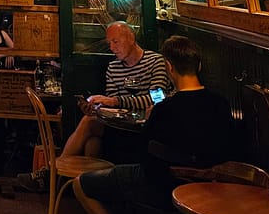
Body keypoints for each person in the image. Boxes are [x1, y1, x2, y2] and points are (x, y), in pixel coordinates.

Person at [74, 36, 235, 214]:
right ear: (198, 66)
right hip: (209, 188)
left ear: (169, 67)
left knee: (80, 184)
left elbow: (145, 157)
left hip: (161, 187)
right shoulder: (221, 104)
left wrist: (150, 118)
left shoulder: (164, 109)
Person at [17, 21, 170, 192]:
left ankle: (51, 175)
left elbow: (157, 99)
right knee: (92, 140)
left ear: (131, 38)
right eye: (109, 43)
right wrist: (96, 108)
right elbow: (112, 105)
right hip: (120, 127)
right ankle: (87, 191)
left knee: (89, 125)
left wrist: (115, 101)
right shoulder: (113, 67)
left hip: (145, 129)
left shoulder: (155, 61)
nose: (112, 48)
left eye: (116, 41)